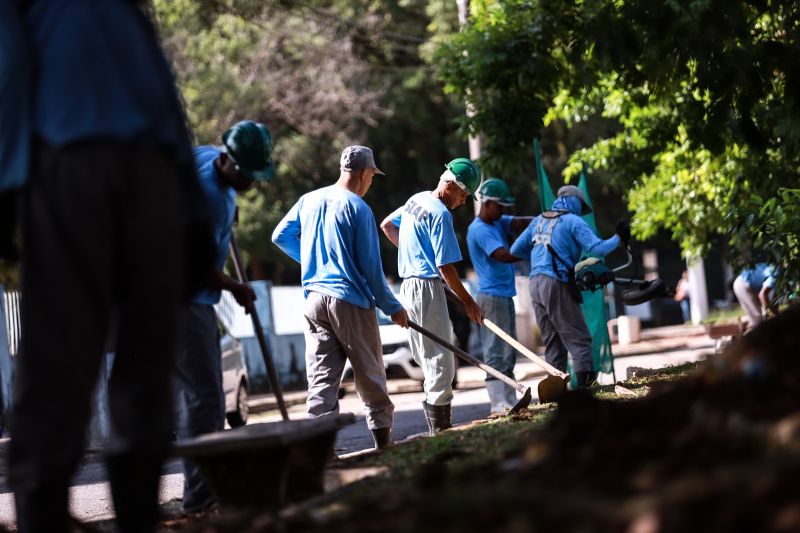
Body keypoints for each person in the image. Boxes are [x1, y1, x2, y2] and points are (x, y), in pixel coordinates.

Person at [1, 2, 209, 532]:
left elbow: (9, 71)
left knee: (86, 351)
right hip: (131, 167)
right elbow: (167, 98)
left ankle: (65, 512)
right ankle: (86, 511)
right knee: (130, 356)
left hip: (84, 165)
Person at [272, 146, 408, 450]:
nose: (372, 181)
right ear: (363, 173)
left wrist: (314, 262)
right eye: (372, 175)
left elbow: (279, 235)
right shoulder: (359, 208)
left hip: (314, 300)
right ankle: (383, 446)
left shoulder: (308, 200)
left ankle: (321, 455)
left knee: (321, 380)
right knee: (370, 375)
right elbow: (372, 271)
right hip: (349, 302)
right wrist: (393, 307)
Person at [175, 120, 274, 513]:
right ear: (229, 162)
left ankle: (203, 492)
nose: (251, 183)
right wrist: (237, 288)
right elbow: (196, 266)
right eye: (247, 176)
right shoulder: (210, 201)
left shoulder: (203, 156)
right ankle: (202, 499)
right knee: (206, 401)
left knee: (197, 398)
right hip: (184, 299)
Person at [380, 158, 484, 434]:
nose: (463, 202)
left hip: (408, 286)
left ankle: (435, 424)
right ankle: (441, 429)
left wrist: (412, 253)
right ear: (450, 186)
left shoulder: (417, 200)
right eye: (463, 196)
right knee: (440, 360)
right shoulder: (440, 214)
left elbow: (388, 225)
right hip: (426, 286)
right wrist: (468, 302)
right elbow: (446, 267)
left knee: (428, 356)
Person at [510, 186, 627, 388]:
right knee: (579, 339)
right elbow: (596, 248)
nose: (581, 211)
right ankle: (586, 391)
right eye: (581, 206)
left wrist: (540, 257)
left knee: (553, 343)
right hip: (555, 282)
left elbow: (516, 249)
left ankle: (557, 395)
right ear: (573, 200)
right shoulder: (573, 221)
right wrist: (619, 238)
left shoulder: (539, 220)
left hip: (535, 283)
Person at [466, 178, 532, 414]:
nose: (503, 211)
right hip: (491, 297)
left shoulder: (496, 222)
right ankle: (497, 403)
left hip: (503, 295)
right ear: (487, 204)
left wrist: (542, 222)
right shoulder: (481, 229)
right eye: (500, 206)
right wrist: (529, 247)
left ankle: (509, 398)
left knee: (508, 350)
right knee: (495, 350)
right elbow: (503, 255)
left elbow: (519, 222)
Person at [733, 262, 777, 328]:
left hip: (750, 285)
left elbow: (773, 299)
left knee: (761, 319)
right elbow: (762, 295)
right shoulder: (776, 273)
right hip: (743, 284)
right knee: (758, 320)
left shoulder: (777, 267)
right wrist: (774, 315)